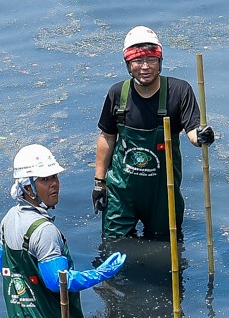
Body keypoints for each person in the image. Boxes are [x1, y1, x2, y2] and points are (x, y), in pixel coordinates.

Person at [0, 145, 124, 318]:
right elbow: (58, 282)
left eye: (55, 176)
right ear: (27, 186)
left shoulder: (8, 219)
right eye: (45, 179)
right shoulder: (45, 232)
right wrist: (100, 274)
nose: (54, 184)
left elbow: (2, 260)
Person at [92, 26, 216, 241]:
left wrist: (203, 136)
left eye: (151, 59)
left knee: (165, 245)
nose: (145, 67)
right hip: (122, 191)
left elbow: (192, 131)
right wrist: (99, 183)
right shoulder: (116, 94)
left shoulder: (178, 91)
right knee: (113, 244)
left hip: (163, 193)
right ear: (128, 65)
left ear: (160, 62)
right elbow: (107, 137)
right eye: (138, 61)